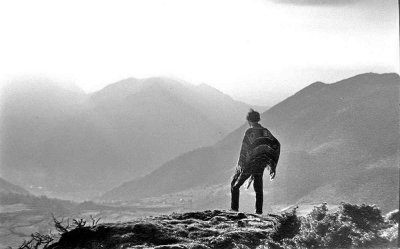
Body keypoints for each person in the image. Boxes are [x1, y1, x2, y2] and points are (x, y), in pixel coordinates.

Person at [230, 109, 280, 214]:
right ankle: (259, 212)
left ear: (249, 120)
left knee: (235, 185)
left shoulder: (250, 132)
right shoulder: (265, 131)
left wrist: (242, 163)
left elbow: (244, 149)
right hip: (261, 163)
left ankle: (234, 210)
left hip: (250, 164)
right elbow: (276, 144)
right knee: (258, 189)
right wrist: (267, 157)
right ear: (258, 119)